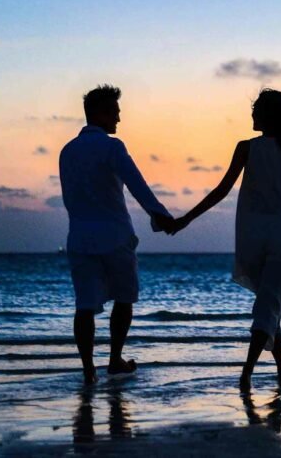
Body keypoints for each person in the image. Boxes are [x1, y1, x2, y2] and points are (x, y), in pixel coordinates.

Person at [172, 88, 281, 390]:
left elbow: (221, 191)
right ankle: (247, 374)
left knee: (269, 303)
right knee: (268, 305)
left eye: (256, 110)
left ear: (268, 115)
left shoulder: (246, 148)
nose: (252, 114)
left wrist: (186, 219)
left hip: (252, 239)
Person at [59, 84, 175, 384]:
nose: (119, 120)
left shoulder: (67, 151)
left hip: (80, 237)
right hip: (115, 235)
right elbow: (136, 184)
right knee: (124, 299)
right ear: (100, 113)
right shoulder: (112, 147)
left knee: (84, 306)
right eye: (115, 112)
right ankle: (114, 360)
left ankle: (88, 370)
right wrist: (160, 216)